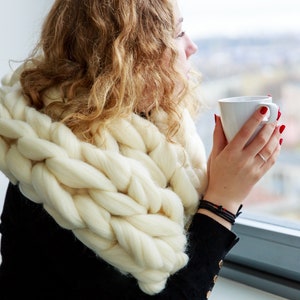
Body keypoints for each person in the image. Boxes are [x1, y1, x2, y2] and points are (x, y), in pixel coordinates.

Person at [0, 0, 285, 299]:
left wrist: (222, 177)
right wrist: (223, 201)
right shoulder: (58, 171)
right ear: (129, 55)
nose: (192, 46)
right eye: (178, 33)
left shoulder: (159, 131)